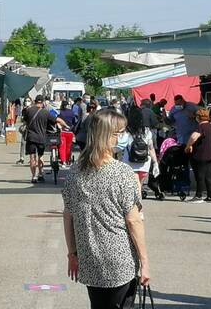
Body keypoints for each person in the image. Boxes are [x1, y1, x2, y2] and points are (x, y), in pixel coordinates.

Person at [62, 109, 150, 309]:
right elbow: (133, 220)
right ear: (108, 136)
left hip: (89, 257)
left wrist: (72, 254)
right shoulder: (123, 173)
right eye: (119, 132)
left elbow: (68, 216)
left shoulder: (75, 171)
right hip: (119, 259)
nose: (123, 136)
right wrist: (145, 262)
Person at [22, 95, 66, 183]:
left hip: (31, 137)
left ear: (35, 101)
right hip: (41, 138)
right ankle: (41, 174)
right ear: (42, 102)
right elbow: (58, 120)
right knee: (40, 157)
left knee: (32, 157)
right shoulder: (45, 112)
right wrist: (65, 126)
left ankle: (33, 177)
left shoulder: (28, 111)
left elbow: (24, 121)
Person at [117, 106, 159, 197]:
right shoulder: (147, 131)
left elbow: (119, 147)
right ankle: (138, 207)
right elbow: (151, 148)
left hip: (129, 164)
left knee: (132, 189)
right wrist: (155, 163)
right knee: (139, 186)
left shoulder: (126, 132)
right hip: (144, 163)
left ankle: (136, 208)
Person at [185, 108, 211, 203]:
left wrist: (188, 146)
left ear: (199, 117)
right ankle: (210, 196)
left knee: (200, 176)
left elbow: (194, 136)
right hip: (210, 154)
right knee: (208, 176)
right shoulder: (210, 126)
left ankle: (198, 196)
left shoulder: (201, 126)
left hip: (201, 155)